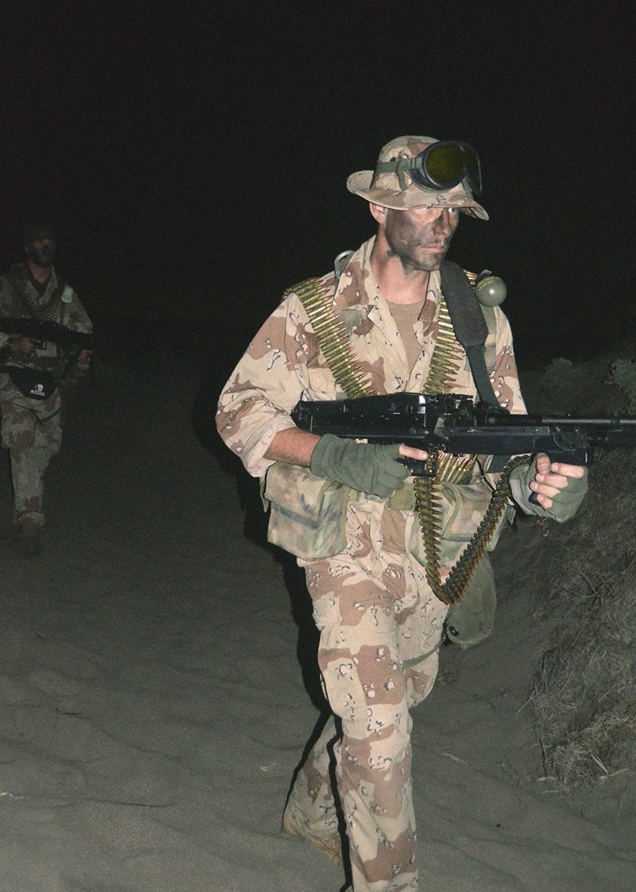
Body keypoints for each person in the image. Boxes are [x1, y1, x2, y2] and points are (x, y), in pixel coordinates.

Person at [216, 135, 588, 892]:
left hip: (434, 551)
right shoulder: (313, 309)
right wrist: (329, 455)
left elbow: (504, 435)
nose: (442, 222)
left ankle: (316, 809)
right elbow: (237, 410)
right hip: (342, 546)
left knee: (383, 703)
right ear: (377, 207)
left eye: (455, 210)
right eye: (425, 205)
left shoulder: (478, 319)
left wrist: (537, 483)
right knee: (382, 732)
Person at [0, 222, 93, 554]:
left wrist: (80, 355)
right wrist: (11, 343)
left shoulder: (64, 293)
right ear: (27, 248)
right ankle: (30, 522)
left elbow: (81, 333)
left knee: (46, 447)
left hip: (48, 383)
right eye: (38, 240)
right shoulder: (7, 286)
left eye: (49, 240)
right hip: (11, 379)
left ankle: (29, 501)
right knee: (22, 444)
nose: (45, 245)